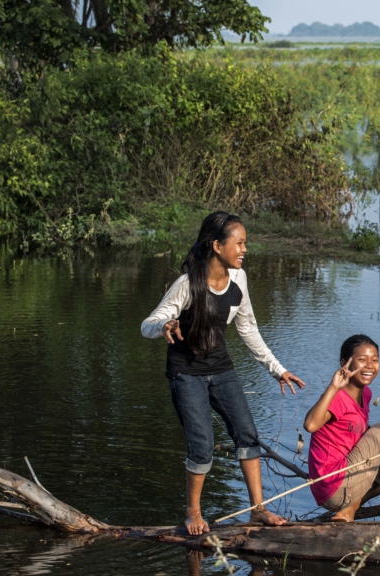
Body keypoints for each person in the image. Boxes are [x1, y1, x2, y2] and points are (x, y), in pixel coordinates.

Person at [141, 211, 306, 535]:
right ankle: (193, 513)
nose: (244, 249)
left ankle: (258, 511)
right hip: (186, 373)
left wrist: (277, 370)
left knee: (247, 434)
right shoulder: (187, 285)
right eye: (239, 243)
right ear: (217, 246)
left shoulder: (239, 279)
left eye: (245, 243)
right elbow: (147, 324)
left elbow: (248, 328)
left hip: (221, 369)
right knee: (202, 443)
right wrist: (165, 325)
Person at [304, 334, 380, 523]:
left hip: (342, 485)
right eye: (362, 360)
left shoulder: (366, 394)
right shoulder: (338, 397)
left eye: (375, 360)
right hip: (333, 485)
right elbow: (310, 425)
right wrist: (333, 387)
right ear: (345, 363)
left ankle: (348, 510)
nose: (370, 365)